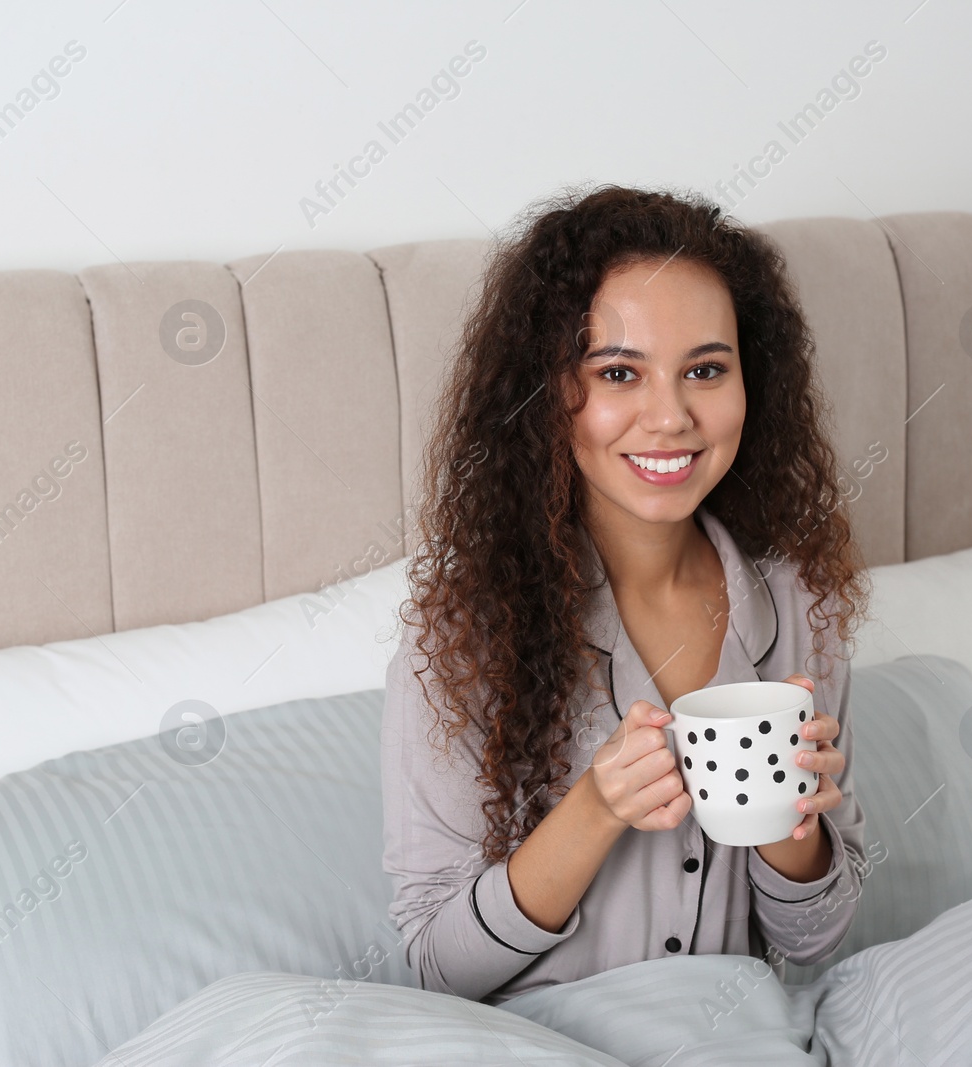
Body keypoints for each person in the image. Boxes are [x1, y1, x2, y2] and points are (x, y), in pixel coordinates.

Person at [381, 184, 874, 1004]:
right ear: (548, 396)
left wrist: (798, 825)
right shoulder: (463, 636)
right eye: (619, 372)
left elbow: (815, 940)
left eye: (706, 370)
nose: (671, 416)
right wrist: (594, 810)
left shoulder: (799, 604)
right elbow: (437, 965)